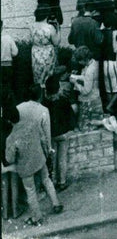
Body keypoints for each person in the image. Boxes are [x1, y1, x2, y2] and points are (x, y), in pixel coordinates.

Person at [4, 93, 63, 225]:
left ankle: (37, 217)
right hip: (39, 159)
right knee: (46, 180)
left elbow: (10, 159)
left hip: (26, 167)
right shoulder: (31, 123)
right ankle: (56, 203)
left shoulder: (11, 138)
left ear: (9, 120)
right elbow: (42, 138)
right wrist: (46, 152)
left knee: (30, 191)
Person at [42, 75, 75, 190]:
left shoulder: (44, 103)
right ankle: (62, 182)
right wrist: (70, 129)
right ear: (58, 88)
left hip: (51, 135)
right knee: (62, 158)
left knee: (52, 158)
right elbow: (71, 116)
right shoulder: (63, 100)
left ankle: (53, 181)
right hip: (63, 133)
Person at [30, 8, 60, 88]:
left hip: (35, 52)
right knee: (47, 76)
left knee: (37, 75)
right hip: (47, 54)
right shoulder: (50, 27)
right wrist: (58, 30)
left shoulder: (32, 26)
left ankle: (38, 93)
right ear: (47, 15)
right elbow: (56, 43)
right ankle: (48, 93)